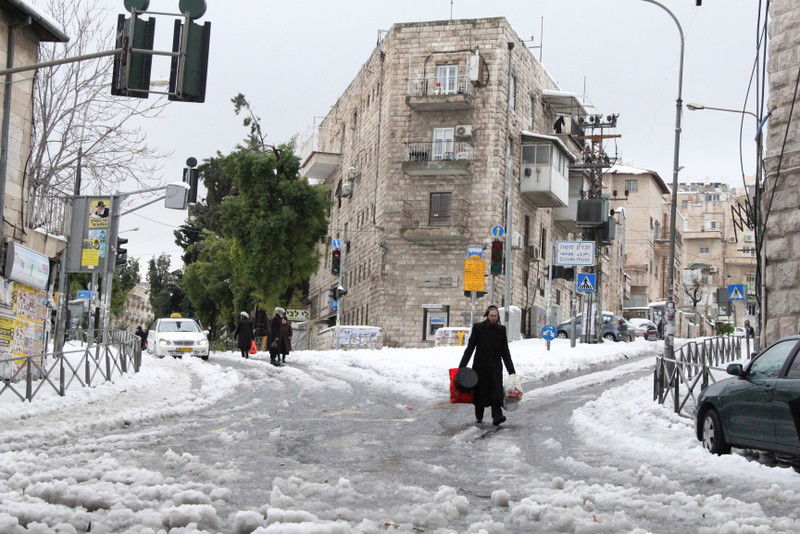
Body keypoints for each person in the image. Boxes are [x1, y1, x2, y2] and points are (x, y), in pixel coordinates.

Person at [459, 305, 516, 426]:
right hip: (480, 367)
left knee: (497, 392)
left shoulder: (501, 330)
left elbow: (505, 352)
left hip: (495, 367)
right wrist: (462, 366)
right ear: (487, 315)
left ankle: (497, 417)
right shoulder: (478, 328)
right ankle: (479, 416)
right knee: (480, 392)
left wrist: (511, 371)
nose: (494, 318)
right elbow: (470, 348)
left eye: (495, 316)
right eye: (491, 316)